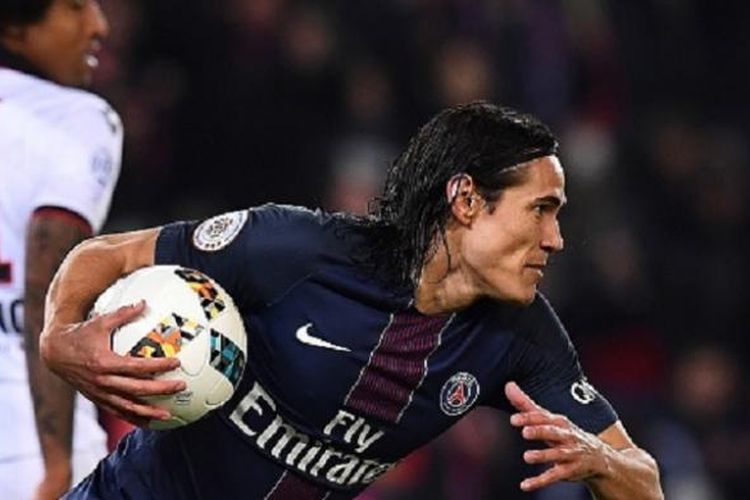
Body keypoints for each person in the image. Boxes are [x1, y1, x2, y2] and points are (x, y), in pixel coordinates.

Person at [41, 103, 663, 499]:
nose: (556, 239)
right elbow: (112, 255)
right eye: (540, 211)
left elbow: (644, 478)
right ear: (467, 201)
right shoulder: (296, 250)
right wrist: (59, 337)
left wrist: (600, 460)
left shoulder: (522, 338)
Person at [0, 1, 124, 498]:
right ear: (11, 23)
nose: (99, 25)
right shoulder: (77, 118)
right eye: (74, 8)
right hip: (28, 438)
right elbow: (44, 282)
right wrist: (56, 465)